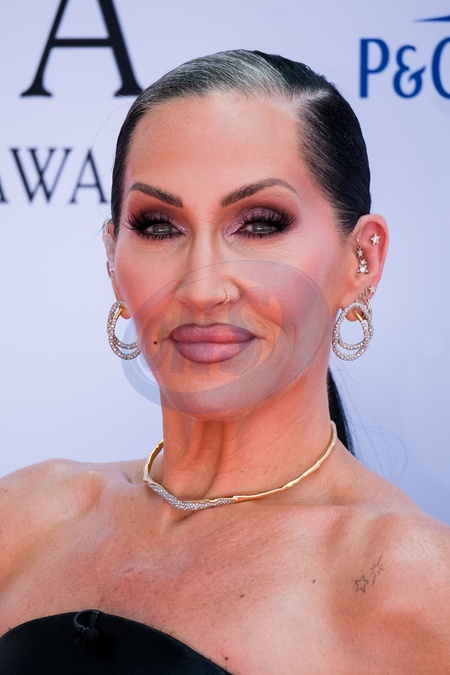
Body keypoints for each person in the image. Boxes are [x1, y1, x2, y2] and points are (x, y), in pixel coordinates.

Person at [0, 50, 449, 674]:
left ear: (362, 260)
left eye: (260, 225)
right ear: (112, 257)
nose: (203, 288)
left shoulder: (413, 585)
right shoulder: (23, 518)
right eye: (158, 226)